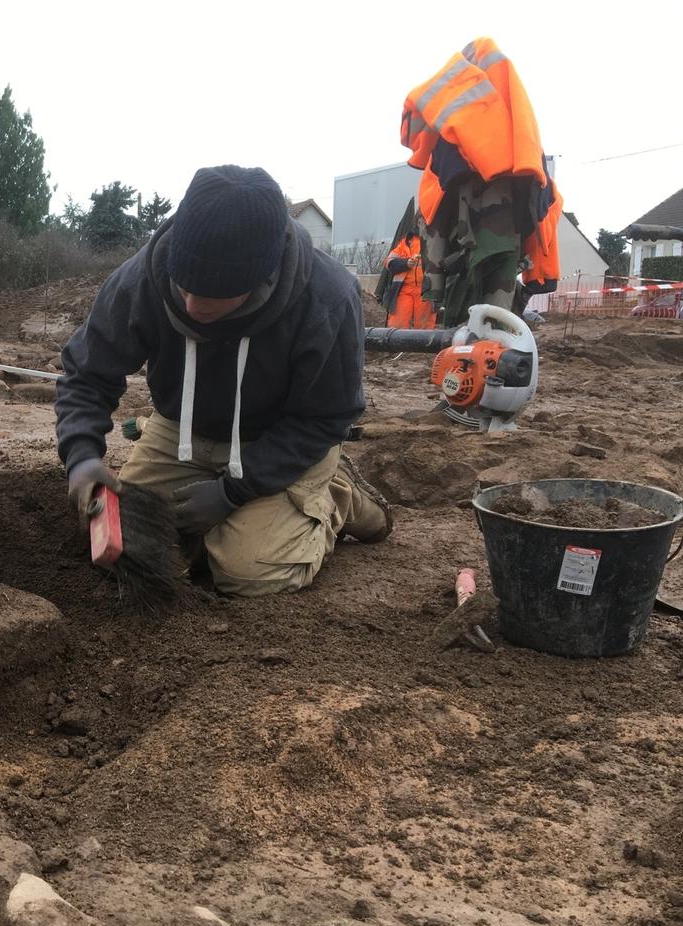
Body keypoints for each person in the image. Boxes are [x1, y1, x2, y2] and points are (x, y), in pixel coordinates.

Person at [55, 165, 392, 598]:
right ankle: (259, 518)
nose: (193, 306)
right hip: (183, 431)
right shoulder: (144, 277)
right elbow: (86, 372)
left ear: (262, 278)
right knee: (129, 545)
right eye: (185, 286)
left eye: (214, 295)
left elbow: (326, 418)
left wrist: (233, 493)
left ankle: (335, 498)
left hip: (283, 441)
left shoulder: (326, 299)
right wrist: (81, 456)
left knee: (248, 572)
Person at [401, 37, 561, 327]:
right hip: (497, 247)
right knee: (494, 330)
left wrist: (435, 283)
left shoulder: (454, 142)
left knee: (467, 334)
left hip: (473, 250)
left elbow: (434, 216)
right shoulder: (522, 143)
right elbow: (545, 207)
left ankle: (470, 365)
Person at [376, 199, 437, 329]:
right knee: (397, 325)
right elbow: (389, 262)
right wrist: (406, 263)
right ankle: (397, 348)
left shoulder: (435, 239)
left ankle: (421, 349)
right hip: (403, 290)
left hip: (426, 289)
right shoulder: (407, 241)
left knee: (424, 328)